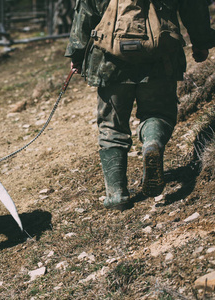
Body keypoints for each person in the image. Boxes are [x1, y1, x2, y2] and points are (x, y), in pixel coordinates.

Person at [65, 0, 215, 210]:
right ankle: (152, 143)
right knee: (159, 113)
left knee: (112, 126)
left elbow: (86, 10)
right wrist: (201, 42)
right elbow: (193, 6)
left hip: (110, 59)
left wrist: (77, 52)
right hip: (161, 57)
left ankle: (116, 194)